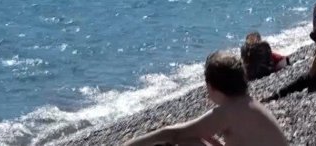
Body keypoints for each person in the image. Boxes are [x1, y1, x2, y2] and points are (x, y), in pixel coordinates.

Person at [123, 51, 287, 146]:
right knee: (201, 139)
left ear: (211, 86)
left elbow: (173, 134)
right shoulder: (248, 104)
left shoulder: (227, 112)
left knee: (188, 141)